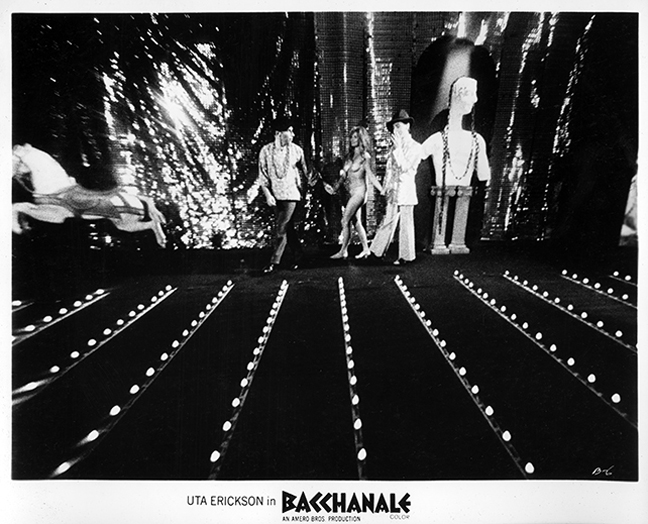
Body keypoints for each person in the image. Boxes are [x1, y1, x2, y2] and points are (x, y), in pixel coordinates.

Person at [255, 118, 310, 274]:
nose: (293, 134)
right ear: (279, 133)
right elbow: (263, 176)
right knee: (288, 228)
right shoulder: (266, 151)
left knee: (281, 227)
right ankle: (299, 257)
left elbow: (306, 172)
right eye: (289, 131)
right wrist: (268, 195)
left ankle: (275, 262)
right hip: (275, 195)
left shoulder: (297, 150)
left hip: (291, 194)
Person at [369, 109, 423, 265]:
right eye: (394, 128)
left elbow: (405, 167)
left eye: (398, 126)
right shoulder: (394, 148)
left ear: (407, 126)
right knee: (388, 220)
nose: (396, 131)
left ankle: (406, 256)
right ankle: (377, 252)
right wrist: (385, 187)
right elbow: (390, 170)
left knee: (406, 223)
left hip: (406, 190)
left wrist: (398, 149)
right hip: (394, 190)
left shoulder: (416, 147)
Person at [324, 125, 383, 260]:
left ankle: (343, 251)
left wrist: (382, 189)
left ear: (361, 139)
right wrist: (334, 188)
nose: (352, 139)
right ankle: (366, 249)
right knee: (356, 222)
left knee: (345, 220)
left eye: (355, 137)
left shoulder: (364, 157)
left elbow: (371, 176)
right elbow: (343, 177)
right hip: (351, 192)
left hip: (360, 193)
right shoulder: (349, 157)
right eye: (351, 137)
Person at [422, 76, 490, 188]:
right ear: (457, 96)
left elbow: (483, 175)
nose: (475, 99)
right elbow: (414, 157)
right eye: (470, 93)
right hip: (441, 194)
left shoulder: (477, 140)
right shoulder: (436, 140)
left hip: (463, 196)